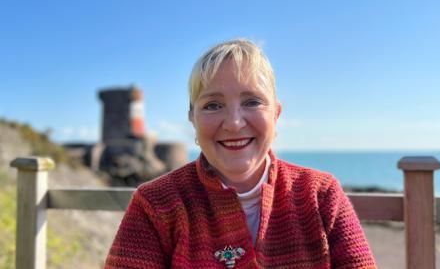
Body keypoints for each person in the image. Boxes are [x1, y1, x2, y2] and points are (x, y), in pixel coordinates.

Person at [105, 39, 377, 268]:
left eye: (252, 102)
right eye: (212, 105)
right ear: (192, 118)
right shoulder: (155, 204)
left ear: (276, 113)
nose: (234, 123)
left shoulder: (321, 194)